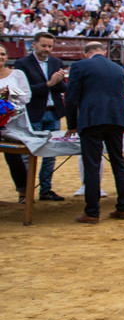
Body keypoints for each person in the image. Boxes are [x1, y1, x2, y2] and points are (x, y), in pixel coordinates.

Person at [63, 42, 124, 223]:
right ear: (104, 52)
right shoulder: (118, 68)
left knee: (92, 164)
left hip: (92, 119)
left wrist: (72, 124)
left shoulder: (80, 66)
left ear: (86, 54)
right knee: (118, 162)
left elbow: (71, 98)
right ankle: (123, 207)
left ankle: (92, 212)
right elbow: (121, 93)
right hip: (116, 119)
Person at [14, 31, 67, 200]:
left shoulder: (56, 62)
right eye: (43, 45)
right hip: (33, 113)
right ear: (34, 44)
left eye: (50, 46)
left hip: (53, 113)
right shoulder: (22, 64)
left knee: (51, 154)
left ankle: (45, 190)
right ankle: (26, 192)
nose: (47, 49)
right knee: (27, 154)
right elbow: (24, 91)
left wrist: (59, 81)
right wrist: (49, 83)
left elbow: (62, 89)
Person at [0, 44, 30, 197]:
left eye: (2, 54)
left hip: (12, 125)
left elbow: (26, 97)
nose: (0, 57)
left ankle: (23, 192)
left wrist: (10, 93)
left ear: (7, 56)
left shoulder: (17, 74)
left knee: (14, 159)